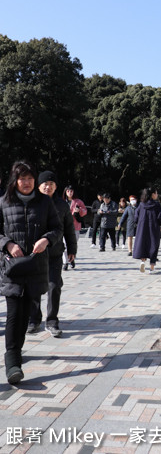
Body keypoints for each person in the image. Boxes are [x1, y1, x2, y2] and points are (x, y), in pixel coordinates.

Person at [0, 160, 62, 384]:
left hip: (36, 267)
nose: (26, 183)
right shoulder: (4, 203)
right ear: (14, 180)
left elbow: (57, 228)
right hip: (12, 269)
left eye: (29, 178)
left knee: (26, 316)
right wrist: (8, 243)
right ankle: (13, 362)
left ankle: (16, 354)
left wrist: (46, 239)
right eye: (22, 178)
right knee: (14, 315)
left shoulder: (44, 202)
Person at [28, 171, 77, 337]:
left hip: (55, 254)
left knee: (54, 286)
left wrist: (72, 249)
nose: (48, 186)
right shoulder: (32, 202)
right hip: (34, 254)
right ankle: (34, 320)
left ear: (56, 186)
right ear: (39, 185)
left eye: (51, 184)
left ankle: (52, 321)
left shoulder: (62, 205)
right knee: (33, 288)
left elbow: (69, 229)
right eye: (45, 183)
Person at [133, 188, 161, 273]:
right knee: (154, 245)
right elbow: (160, 216)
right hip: (153, 228)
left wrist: (137, 223)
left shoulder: (141, 204)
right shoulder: (157, 205)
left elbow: (136, 216)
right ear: (152, 194)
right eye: (156, 193)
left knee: (143, 244)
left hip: (142, 227)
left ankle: (143, 261)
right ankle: (152, 268)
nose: (157, 195)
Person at [62, 186, 87, 269]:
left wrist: (79, 210)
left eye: (71, 191)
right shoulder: (61, 202)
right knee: (64, 245)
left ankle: (72, 258)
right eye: (68, 191)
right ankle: (65, 262)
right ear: (65, 192)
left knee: (73, 244)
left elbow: (85, 211)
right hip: (63, 226)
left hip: (75, 226)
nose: (70, 192)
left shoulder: (78, 201)